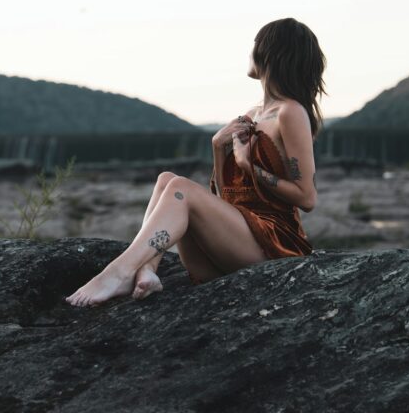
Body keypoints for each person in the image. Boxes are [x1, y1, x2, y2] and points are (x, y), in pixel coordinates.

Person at [65, 17, 327, 307]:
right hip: (234, 246)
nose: (250, 51)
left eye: (255, 43)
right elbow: (228, 199)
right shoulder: (253, 115)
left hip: (276, 247)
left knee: (181, 188)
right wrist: (218, 148)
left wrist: (248, 166)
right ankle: (147, 269)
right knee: (166, 180)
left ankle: (118, 273)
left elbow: (307, 198)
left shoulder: (290, 112)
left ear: (270, 52)